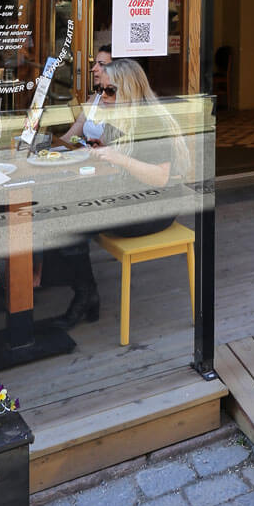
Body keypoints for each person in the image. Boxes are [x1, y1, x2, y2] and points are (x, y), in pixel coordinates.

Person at [51, 58, 191, 329]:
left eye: (110, 90)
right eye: (102, 89)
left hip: (154, 206)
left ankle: (84, 295)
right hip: (130, 194)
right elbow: (118, 157)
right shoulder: (122, 115)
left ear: (130, 89)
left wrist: (116, 157)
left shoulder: (151, 121)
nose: (103, 96)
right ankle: (83, 292)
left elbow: (161, 177)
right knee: (61, 209)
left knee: (67, 220)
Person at [56, 46, 113, 148]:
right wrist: (51, 148)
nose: (93, 69)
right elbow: (73, 134)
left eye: (101, 64)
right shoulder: (96, 97)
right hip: (88, 157)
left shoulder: (123, 102)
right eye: (95, 63)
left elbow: (101, 147)